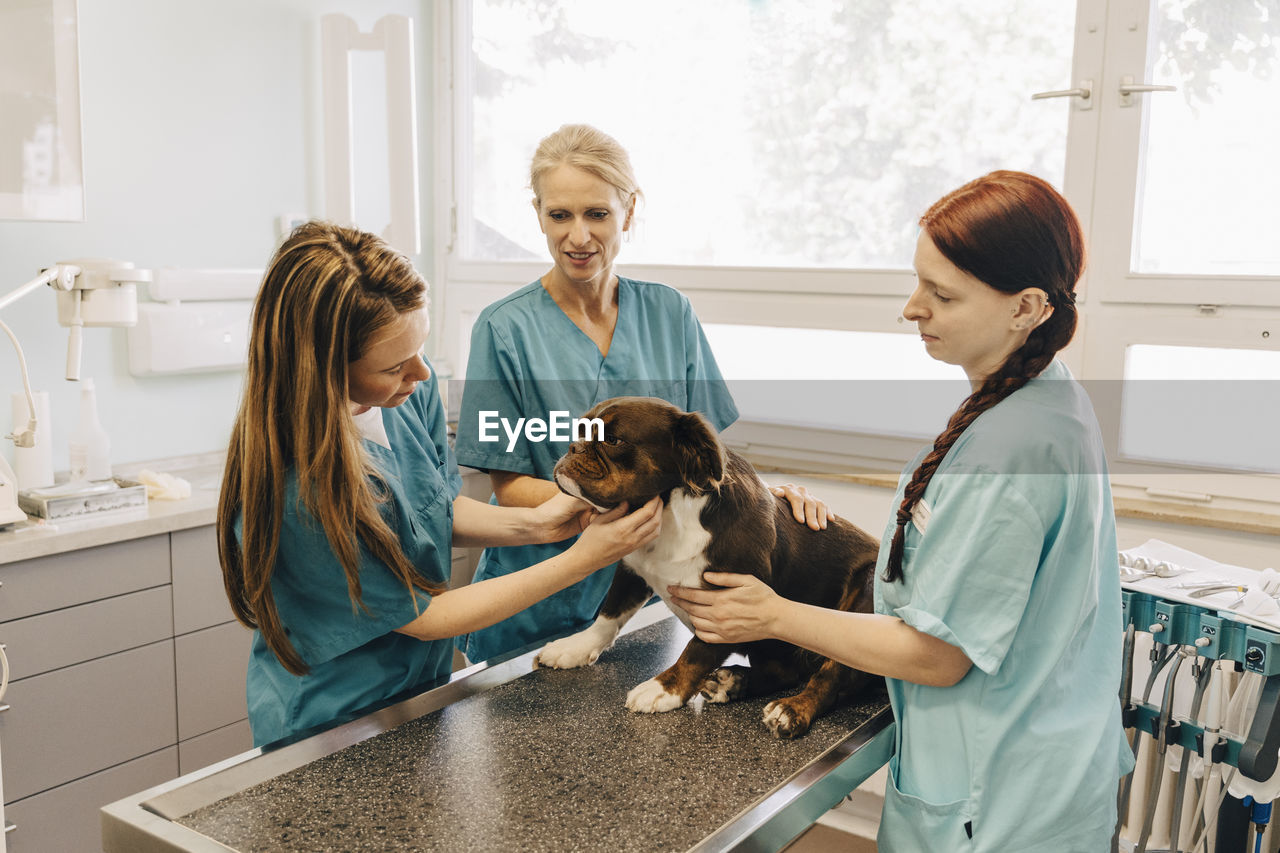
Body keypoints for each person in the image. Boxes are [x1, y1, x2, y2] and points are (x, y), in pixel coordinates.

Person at [669, 171, 1134, 852]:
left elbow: (940, 654)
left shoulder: (1011, 447)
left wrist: (769, 613)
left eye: (942, 294)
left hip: (996, 803)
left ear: (1026, 307)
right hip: (1037, 768)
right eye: (918, 283)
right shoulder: (1041, 398)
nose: (912, 308)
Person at [216, 221, 662, 747]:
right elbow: (425, 618)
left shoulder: (406, 399)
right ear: (323, 367)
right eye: (395, 365)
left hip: (421, 694)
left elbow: (433, 507)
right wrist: (581, 558)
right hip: (333, 718)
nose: (423, 375)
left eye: (422, 348)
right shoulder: (301, 487)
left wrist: (540, 523)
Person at [453, 124, 829, 663]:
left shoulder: (669, 313)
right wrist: (608, 505)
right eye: (559, 215)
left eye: (597, 214)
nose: (578, 236)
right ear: (537, 213)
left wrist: (769, 500)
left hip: (652, 598)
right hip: (538, 596)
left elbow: (704, 460)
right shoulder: (503, 329)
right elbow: (509, 487)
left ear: (629, 211)